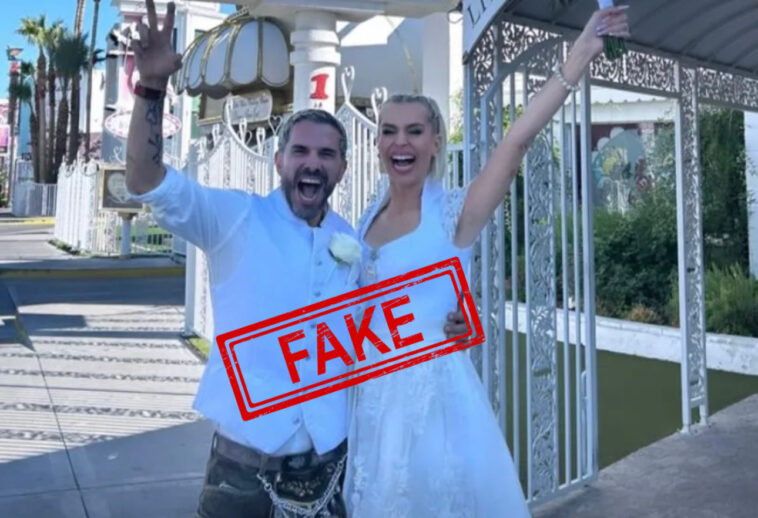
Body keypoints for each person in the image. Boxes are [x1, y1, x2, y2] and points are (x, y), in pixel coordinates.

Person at [124, 1, 469, 517]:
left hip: (328, 472)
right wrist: (150, 89)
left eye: (326, 154)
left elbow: (386, 324)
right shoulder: (235, 219)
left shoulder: (355, 242)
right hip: (240, 473)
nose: (313, 163)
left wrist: (448, 323)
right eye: (301, 152)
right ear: (279, 160)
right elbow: (145, 181)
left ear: (342, 168)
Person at [343, 6, 630, 517]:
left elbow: (516, 142)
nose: (400, 142)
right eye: (389, 131)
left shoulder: (454, 214)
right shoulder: (367, 215)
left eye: (414, 131)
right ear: (378, 142)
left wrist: (582, 53)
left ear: (436, 142)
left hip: (434, 409)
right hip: (370, 403)